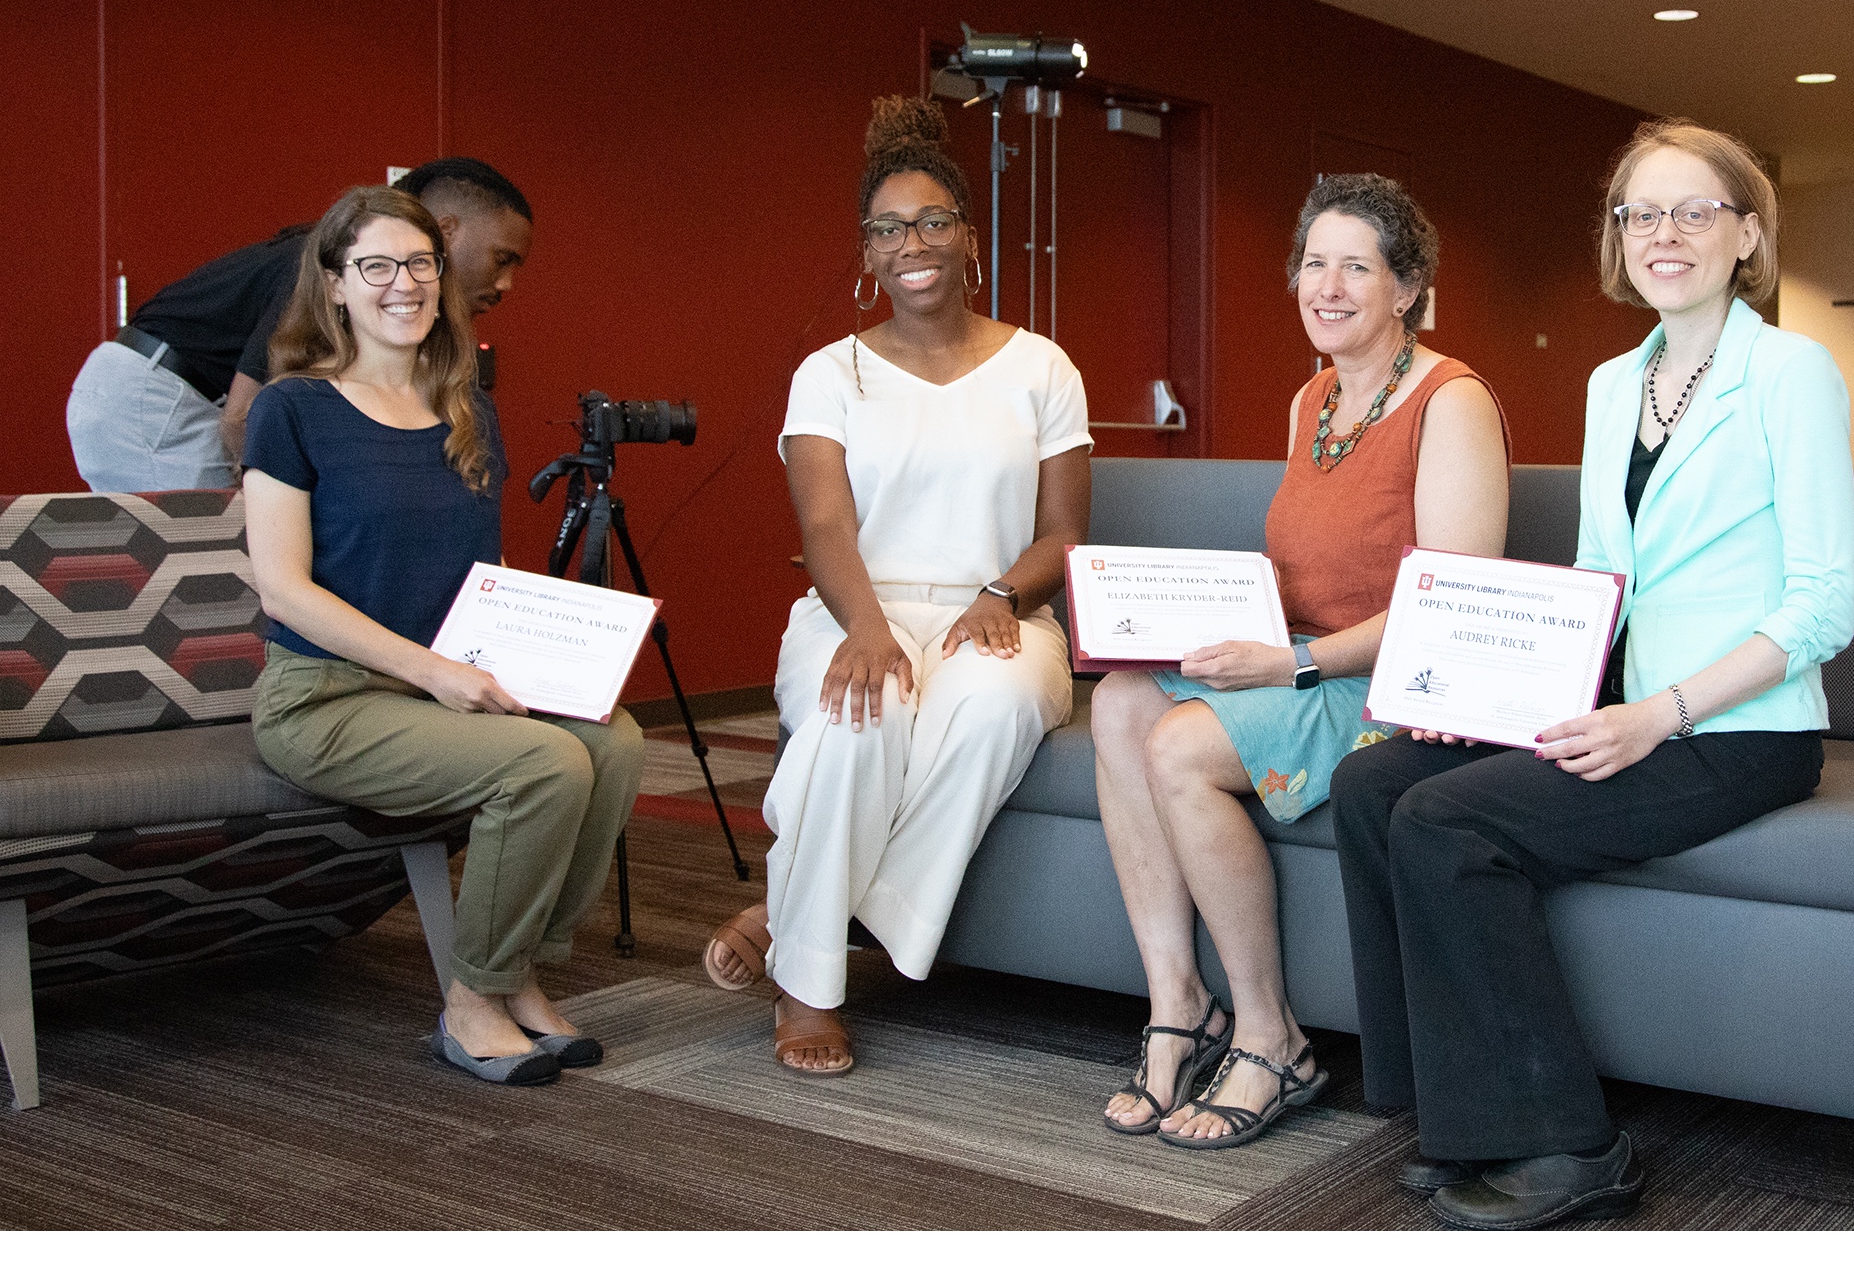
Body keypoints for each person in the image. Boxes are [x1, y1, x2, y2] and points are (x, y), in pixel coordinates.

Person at [1330, 118, 1854, 1228]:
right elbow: (1597, 582)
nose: (1665, 234)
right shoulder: (1617, 381)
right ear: (1620, 238)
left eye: (1695, 211)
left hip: (1740, 731)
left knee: (1449, 824)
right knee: (1376, 784)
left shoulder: (1790, 372)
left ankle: (1568, 1146)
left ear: (1746, 232)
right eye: (1640, 213)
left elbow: (1822, 606)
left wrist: (1656, 717)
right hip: (1625, 704)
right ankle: (1451, 1110)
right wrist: (1492, 704)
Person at [1093, 174, 1510, 1149]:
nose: (1328, 285)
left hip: (1391, 683)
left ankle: (1272, 1037)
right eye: (1314, 263)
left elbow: (1445, 604)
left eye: (1356, 265)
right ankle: (1176, 1006)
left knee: (1182, 748)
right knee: (1118, 700)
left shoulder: (1452, 403)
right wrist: (1203, 621)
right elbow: (1299, 570)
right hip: (1304, 658)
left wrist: (1291, 665)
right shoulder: (1311, 399)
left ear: (1405, 286)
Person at [702, 96, 1092, 1075]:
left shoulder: (1043, 368)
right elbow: (826, 525)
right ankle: (807, 994)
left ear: (967, 236)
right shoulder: (827, 375)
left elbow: (1064, 535)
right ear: (867, 254)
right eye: (886, 229)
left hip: (999, 611)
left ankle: (796, 918)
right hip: (856, 604)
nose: (909, 242)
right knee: (859, 713)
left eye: (929, 222)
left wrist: (1002, 595)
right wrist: (867, 628)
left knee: (998, 708)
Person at [243, 184, 641, 1087]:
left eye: (418, 263)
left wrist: (557, 663)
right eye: (375, 266)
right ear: (336, 285)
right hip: (328, 699)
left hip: (438, 685)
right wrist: (433, 672)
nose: (403, 284)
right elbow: (283, 588)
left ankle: (515, 974)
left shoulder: (464, 409)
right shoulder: (292, 409)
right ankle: (470, 1004)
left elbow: (479, 580)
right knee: (541, 765)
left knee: (612, 742)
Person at [66, 157, 533, 492]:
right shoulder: (328, 262)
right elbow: (243, 418)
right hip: (158, 399)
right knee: (223, 573)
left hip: (177, 392)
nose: (507, 283)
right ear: (447, 231)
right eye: (501, 258)